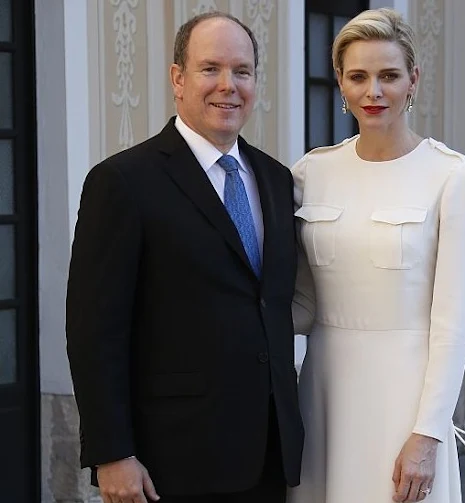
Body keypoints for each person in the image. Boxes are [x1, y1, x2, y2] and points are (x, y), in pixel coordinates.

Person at [66, 12, 303, 503]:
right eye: (209, 68)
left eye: (242, 71)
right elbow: (94, 332)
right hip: (172, 462)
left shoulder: (278, 180)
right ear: (178, 78)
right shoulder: (124, 182)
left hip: (268, 454)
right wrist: (113, 454)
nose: (228, 86)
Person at [288, 8, 465, 503]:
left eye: (389, 76)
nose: (373, 92)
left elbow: (452, 325)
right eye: (358, 76)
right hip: (323, 394)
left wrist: (428, 432)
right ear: (340, 82)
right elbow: (302, 303)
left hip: (405, 400)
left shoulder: (454, 177)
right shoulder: (312, 172)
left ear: (412, 80)